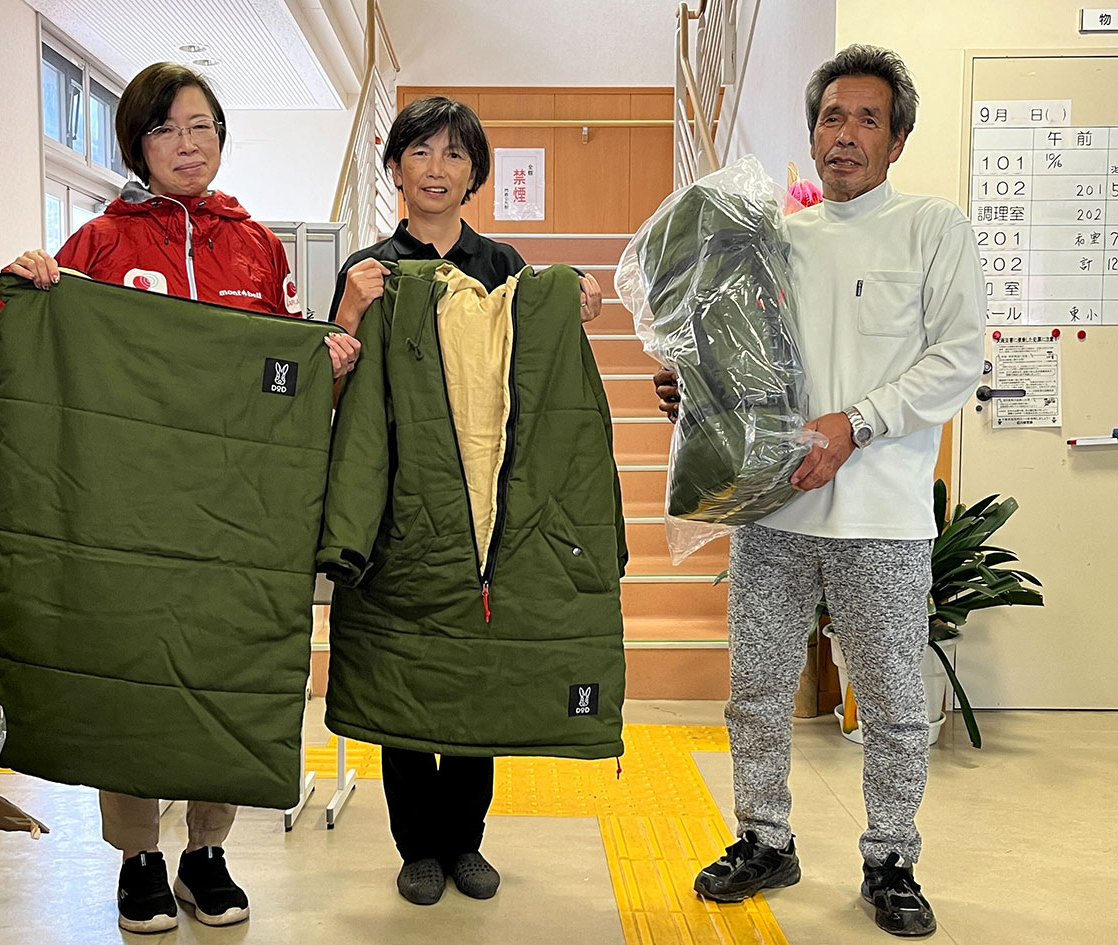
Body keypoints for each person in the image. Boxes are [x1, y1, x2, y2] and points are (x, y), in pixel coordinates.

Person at [6, 62, 360, 934]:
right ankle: (139, 858)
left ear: (221, 137)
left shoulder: (258, 248)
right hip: (128, 503)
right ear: (138, 145)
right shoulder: (97, 243)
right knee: (131, 668)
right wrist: (38, 287)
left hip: (237, 508)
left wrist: (328, 358)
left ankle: (207, 849)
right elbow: (65, 366)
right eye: (166, 130)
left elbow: (282, 373)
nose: (186, 144)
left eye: (201, 126)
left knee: (225, 665)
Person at [657, 46, 984, 937]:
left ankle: (891, 855)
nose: (845, 135)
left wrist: (856, 424)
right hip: (774, 505)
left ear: (898, 138)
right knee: (755, 686)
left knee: (889, 701)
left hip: (883, 512)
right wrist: (696, 391)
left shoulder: (933, 227)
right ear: (812, 132)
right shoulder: (773, 238)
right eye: (831, 118)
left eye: (866, 119)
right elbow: (742, 358)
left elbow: (957, 361)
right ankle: (765, 836)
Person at [328, 95, 604, 907]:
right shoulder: (371, 269)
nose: (437, 169)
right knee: (404, 673)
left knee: (479, 677)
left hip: (491, 510)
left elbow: (538, 370)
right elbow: (331, 383)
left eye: (454, 155)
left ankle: (466, 840)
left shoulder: (505, 267)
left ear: (475, 172)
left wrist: (573, 298)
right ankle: (417, 847)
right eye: (420, 153)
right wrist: (348, 310)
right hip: (403, 508)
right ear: (396, 169)